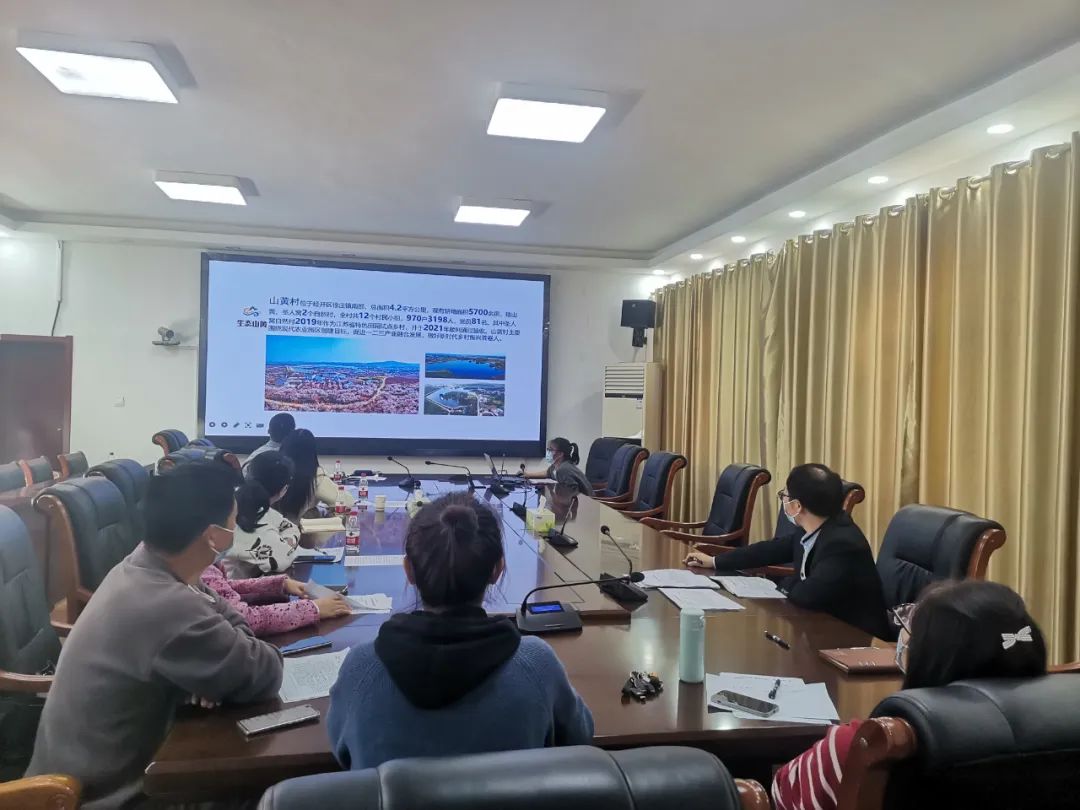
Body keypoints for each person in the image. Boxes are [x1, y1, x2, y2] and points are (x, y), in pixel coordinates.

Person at [26, 462, 283, 809]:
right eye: (234, 520)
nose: (236, 528)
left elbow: (222, 626)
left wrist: (213, 666)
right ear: (214, 536)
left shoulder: (143, 564)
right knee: (272, 787)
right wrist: (224, 655)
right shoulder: (168, 604)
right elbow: (266, 671)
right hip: (100, 799)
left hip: (101, 776)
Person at [327, 491, 594, 769]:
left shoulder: (361, 669)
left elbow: (341, 756)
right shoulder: (538, 665)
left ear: (408, 570)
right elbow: (580, 739)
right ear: (497, 570)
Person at [771, 579, 1047, 810]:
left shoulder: (867, 744)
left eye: (911, 632)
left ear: (929, 659)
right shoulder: (1055, 736)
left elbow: (780, 792)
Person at [684, 463, 889, 637]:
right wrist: (715, 561)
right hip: (819, 626)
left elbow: (807, 594)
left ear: (796, 506)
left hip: (854, 641)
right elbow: (769, 550)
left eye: (785, 495)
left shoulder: (843, 545)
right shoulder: (813, 528)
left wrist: (779, 584)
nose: (783, 500)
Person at [223, 450, 306, 577]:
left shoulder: (234, 498)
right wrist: (287, 543)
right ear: (284, 489)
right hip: (226, 586)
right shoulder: (258, 522)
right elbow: (283, 559)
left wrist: (285, 541)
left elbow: (290, 527)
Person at [277, 427, 341, 520]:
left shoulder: (273, 468)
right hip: (300, 526)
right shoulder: (316, 476)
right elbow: (345, 502)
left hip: (270, 524)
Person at [523, 437, 593, 495]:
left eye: (550, 450)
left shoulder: (563, 469)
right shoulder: (555, 466)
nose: (548, 452)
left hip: (586, 502)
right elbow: (547, 473)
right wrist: (527, 475)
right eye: (548, 449)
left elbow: (573, 492)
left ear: (560, 454)